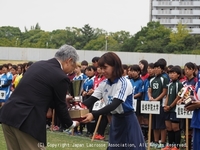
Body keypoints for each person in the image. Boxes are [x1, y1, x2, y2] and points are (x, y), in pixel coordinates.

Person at [0, 44, 80, 150]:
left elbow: (38, 93)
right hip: (27, 120)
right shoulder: (61, 76)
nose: (72, 70)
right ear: (69, 61)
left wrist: (62, 99)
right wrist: (70, 123)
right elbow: (60, 105)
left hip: (8, 113)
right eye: (73, 66)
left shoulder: (38, 65)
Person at [82, 52, 145, 150]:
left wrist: (93, 114)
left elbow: (114, 104)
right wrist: (78, 108)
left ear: (115, 66)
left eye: (105, 68)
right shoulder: (103, 84)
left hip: (128, 120)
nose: (102, 71)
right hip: (115, 120)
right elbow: (91, 100)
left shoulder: (124, 83)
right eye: (101, 68)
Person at [163, 66, 183, 150]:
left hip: (174, 109)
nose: (171, 75)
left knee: (175, 128)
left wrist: (171, 106)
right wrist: (165, 105)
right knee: (168, 127)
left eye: (174, 73)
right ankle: (170, 145)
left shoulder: (179, 84)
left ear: (178, 75)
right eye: (170, 73)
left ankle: (176, 146)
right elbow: (167, 95)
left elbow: (178, 97)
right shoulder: (170, 84)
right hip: (168, 108)